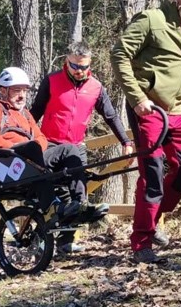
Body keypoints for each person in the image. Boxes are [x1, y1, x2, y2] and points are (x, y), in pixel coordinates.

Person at [111, 0, 181, 263]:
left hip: (177, 111)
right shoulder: (151, 20)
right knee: (152, 174)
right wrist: (137, 98)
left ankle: (152, 221)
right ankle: (141, 243)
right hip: (148, 109)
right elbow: (119, 55)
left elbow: (178, 70)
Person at [31, 40, 133, 254]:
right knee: (50, 195)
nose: (79, 71)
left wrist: (126, 141)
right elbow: (35, 112)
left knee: (79, 195)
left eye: (84, 67)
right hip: (50, 143)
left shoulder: (96, 87)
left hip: (77, 146)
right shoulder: (51, 81)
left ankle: (66, 241)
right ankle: (39, 241)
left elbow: (111, 116)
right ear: (66, 62)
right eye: (75, 66)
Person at [0, 67, 104, 226]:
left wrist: (38, 148)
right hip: (6, 161)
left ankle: (80, 203)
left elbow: (40, 137)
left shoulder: (25, 114)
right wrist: (17, 147)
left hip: (31, 158)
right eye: (17, 91)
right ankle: (50, 207)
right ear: (3, 90)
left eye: (24, 90)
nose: (22, 95)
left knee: (70, 149)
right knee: (31, 147)